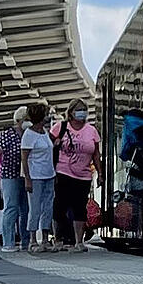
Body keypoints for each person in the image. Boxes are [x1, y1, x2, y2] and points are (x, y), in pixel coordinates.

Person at [53, 99, 100, 251]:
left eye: (84, 110)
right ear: (71, 112)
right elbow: (48, 147)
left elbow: (96, 154)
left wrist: (100, 173)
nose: (82, 113)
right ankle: (59, 239)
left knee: (80, 207)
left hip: (84, 175)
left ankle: (79, 242)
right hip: (63, 172)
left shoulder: (91, 131)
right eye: (79, 110)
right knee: (60, 206)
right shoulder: (60, 127)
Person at [0, 108, 30, 251]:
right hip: (10, 175)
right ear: (19, 120)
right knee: (11, 207)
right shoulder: (7, 134)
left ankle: (26, 241)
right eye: (26, 119)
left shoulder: (31, 134)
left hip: (26, 176)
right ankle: (8, 242)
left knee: (25, 209)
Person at [20, 102, 57, 252]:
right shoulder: (28, 135)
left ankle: (46, 238)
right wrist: (27, 178)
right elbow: (24, 157)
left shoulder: (45, 132)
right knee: (35, 208)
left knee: (48, 207)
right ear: (41, 117)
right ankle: (33, 239)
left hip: (49, 174)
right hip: (35, 176)